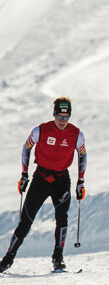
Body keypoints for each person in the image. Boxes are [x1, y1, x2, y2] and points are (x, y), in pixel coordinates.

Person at [0, 97, 86, 273]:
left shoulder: (77, 135)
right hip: (41, 178)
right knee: (26, 221)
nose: (62, 121)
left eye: (66, 117)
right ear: (54, 115)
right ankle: (8, 259)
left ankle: (58, 258)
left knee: (62, 218)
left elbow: (82, 156)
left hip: (61, 180)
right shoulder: (40, 130)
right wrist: (24, 175)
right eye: (59, 117)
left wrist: (80, 183)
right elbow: (26, 148)